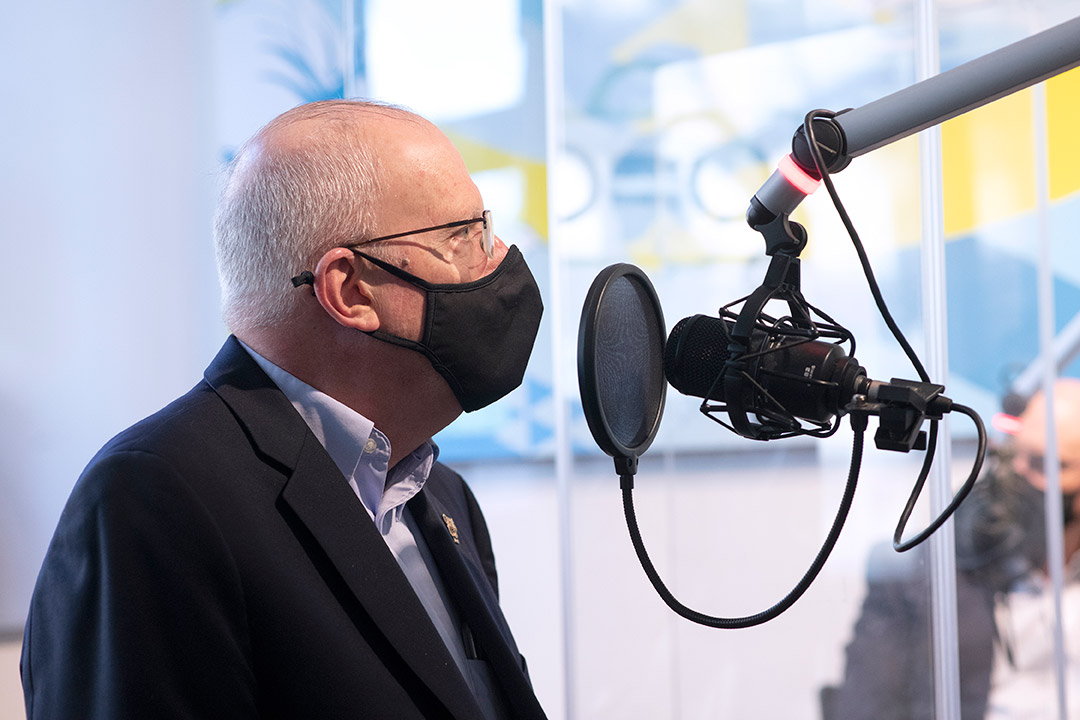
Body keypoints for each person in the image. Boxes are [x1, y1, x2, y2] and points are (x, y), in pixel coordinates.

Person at [20, 100, 548, 720]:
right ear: (351, 290)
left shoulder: (441, 499)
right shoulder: (154, 498)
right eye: (465, 236)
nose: (498, 256)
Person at [823, 378, 1080, 719]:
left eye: (1046, 464)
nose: (1017, 477)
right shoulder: (921, 579)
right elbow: (866, 709)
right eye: (1014, 455)